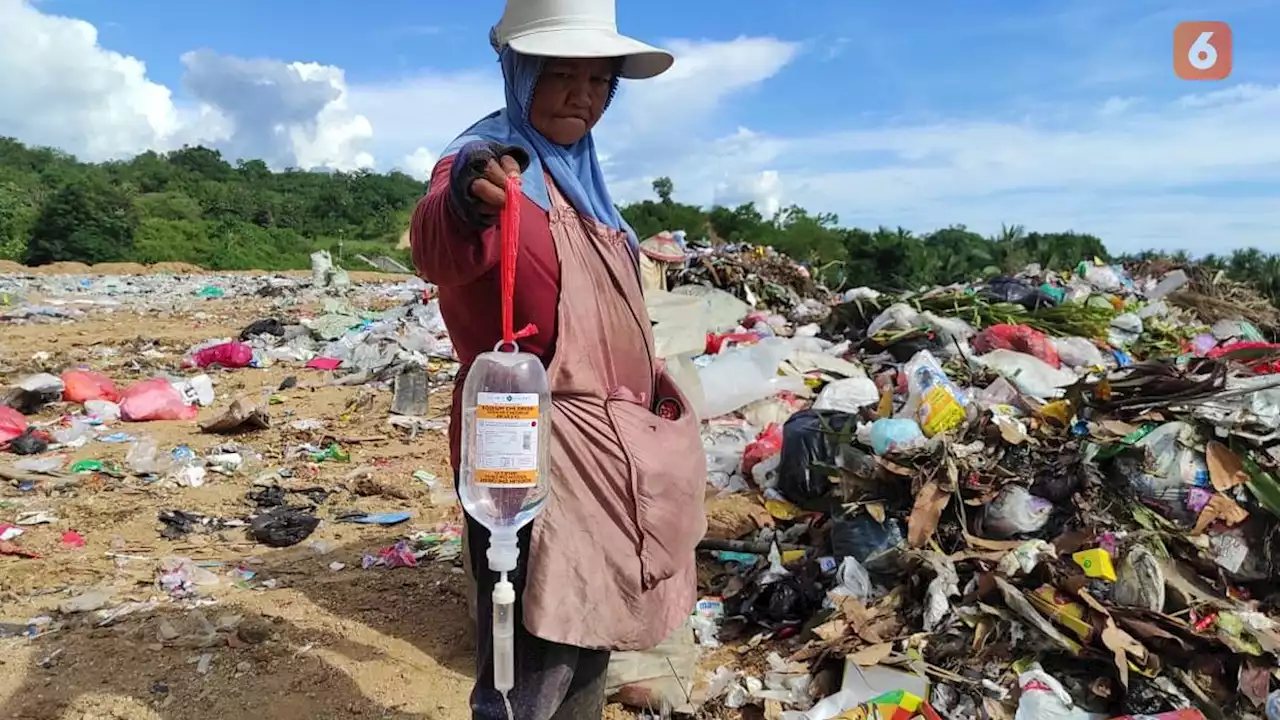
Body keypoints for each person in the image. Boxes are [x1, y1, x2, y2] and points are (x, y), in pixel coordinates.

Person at [409, 1, 708, 718]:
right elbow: (438, 248)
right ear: (521, 73)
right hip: (527, 451)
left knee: (592, 635)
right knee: (530, 653)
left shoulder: (583, 181)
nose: (582, 93)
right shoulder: (487, 161)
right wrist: (468, 203)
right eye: (561, 74)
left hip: (611, 453)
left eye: (598, 79)